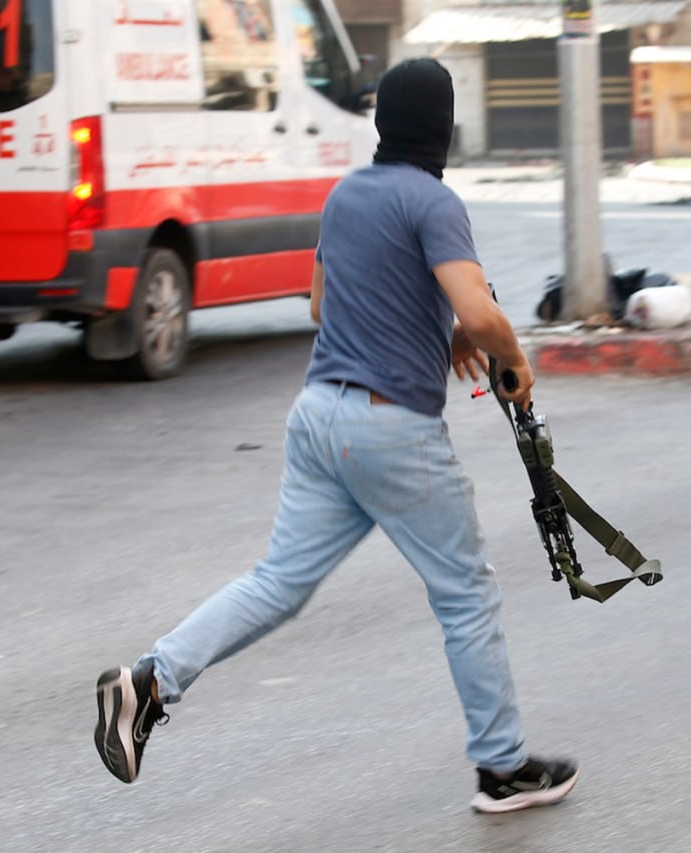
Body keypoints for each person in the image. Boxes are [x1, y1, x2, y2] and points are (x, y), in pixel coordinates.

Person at [94, 57, 579, 815]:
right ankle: (502, 766)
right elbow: (482, 314)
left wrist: (437, 330)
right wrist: (511, 359)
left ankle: (151, 679)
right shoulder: (434, 201)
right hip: (392, 430)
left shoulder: (346, 193)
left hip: (319, 417)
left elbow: (325, 306)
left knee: (277, 582)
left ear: (384, 122)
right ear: (443, 127)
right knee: (466, 596)